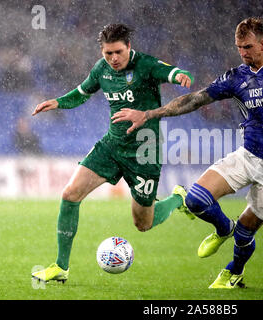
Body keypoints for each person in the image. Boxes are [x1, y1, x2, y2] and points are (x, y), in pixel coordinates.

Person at [112, 17, 263, 289]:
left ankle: (235, 271)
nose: (243, 53)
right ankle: (223, 228)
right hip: (247, 156)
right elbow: (195, 99)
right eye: (239, 47)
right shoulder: (236, 77)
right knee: (195, 199)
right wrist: (149, 114)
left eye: (248, 47)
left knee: (247, 232)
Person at [31, 23, 195, 284]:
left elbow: (173, 72)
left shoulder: (146, 65)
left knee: (143, 223)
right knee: (70, 194)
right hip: (112, 146)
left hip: (144, 152)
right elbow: (83, 92)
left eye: (118, 52)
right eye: (108, 53)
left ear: (129, 47)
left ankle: (177, 198)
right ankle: (61, 267)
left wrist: (181, 76)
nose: (113, 59)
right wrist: (58, 102)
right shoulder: (102, 69)